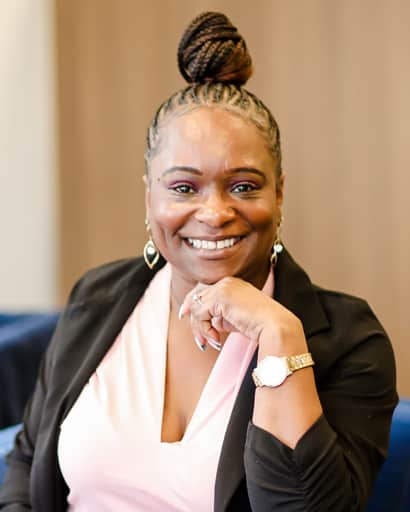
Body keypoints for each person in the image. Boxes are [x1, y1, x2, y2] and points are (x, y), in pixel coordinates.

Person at [0, 11, 397, 512]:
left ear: (280, 195)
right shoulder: (97, 297)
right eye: (184, 187)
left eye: (244, 186)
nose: (215, 213)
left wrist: (280, 339)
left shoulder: (348, 339)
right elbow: (26, 462)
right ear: (150, 201)